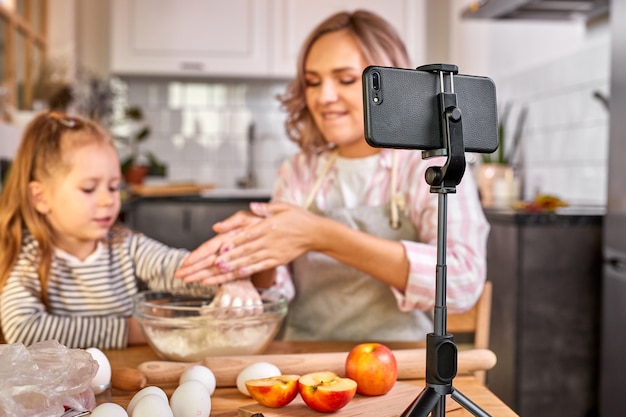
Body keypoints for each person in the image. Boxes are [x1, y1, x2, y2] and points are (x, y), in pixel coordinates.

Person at [175, 10, 490, 341]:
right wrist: (257, 251)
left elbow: (461, 281)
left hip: (402, 369)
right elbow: (275, 293)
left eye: (346, 79)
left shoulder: (427, 166)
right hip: (305, 363)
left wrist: (322, 235)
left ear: (391, 85)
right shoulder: (299, 170)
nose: (323, 97)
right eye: (313, 82)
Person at [0, 111, 259, 349]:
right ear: (40, 198)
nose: (107, 200)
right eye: (89, 188)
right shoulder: (27, 258)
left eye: (113, 187)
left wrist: (231, 275)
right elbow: (23, 330)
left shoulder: (127, 247)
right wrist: (131, 329)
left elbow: (182, 267)